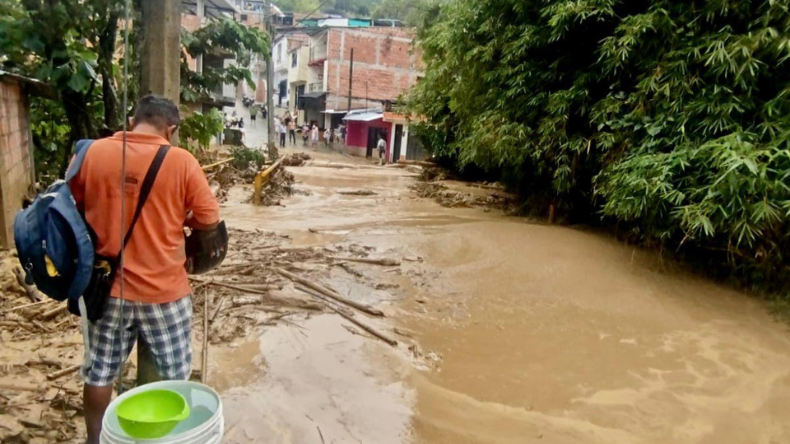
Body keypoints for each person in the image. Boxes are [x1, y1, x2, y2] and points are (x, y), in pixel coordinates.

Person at [70, 95, 220, 444]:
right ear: (171, 129)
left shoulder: (91, 153)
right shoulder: (181, 161)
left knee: (100, 374)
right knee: (175, 376)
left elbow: (72, 207)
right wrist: (175, 215)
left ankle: (95, 439)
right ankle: (169, 437)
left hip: (107, 290)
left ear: (133, 119)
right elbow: (209, 219)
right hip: (165, 293)